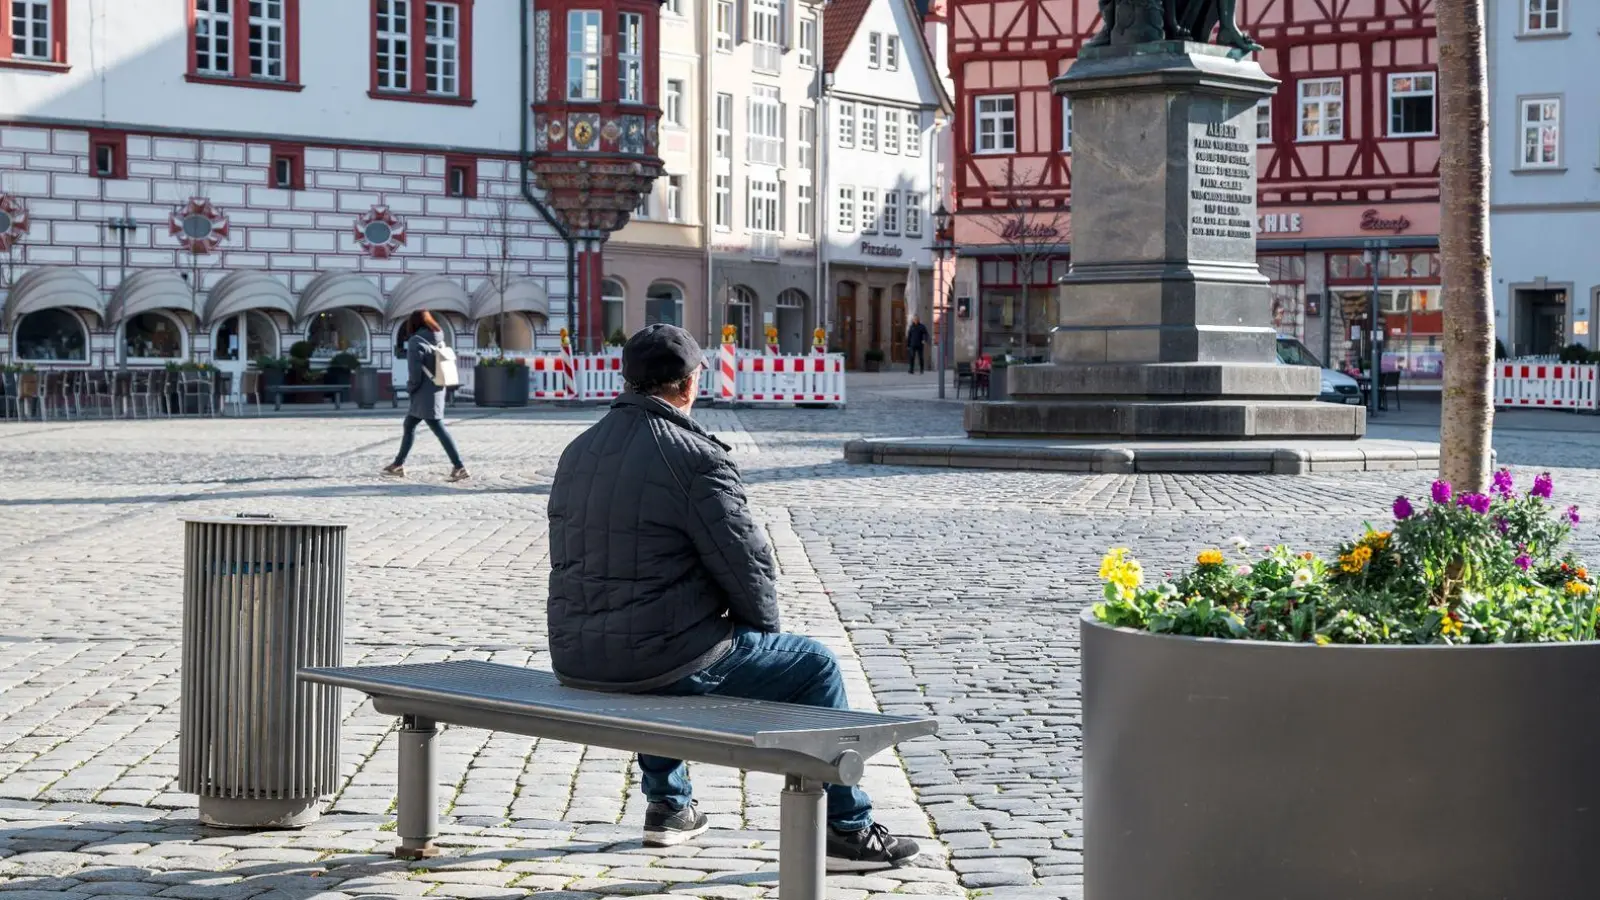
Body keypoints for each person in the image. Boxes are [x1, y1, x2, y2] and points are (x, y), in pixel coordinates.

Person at [546, 324, 920, 869]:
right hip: (653, 654)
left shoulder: (578, 450)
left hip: (579, 652)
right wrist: (760, 631)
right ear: (689, 383)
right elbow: (747, 566)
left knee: (654, 639)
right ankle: (847, 827)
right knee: (813, 664)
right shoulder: (694, 457)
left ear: (627, 379)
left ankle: (670, 805)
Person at [382, 310, 469, 482]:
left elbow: (415, 372)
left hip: (423, 392)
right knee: (409, 424)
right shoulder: (438, 338)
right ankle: (398, 464)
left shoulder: (416, 342)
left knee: (438, 427)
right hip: (437, 388)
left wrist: (410, 388)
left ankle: (459, 466)